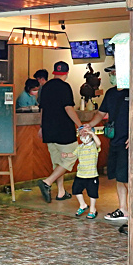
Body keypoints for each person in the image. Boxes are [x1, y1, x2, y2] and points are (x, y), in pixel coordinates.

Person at [38, 61, 83, 202]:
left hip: (49, 130)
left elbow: (42, 109)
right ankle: (47, 182)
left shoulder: (45, 87)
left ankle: (61, 192)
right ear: (67, 73)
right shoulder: (65, 87)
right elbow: (68, 108)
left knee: (58, 162)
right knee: (71, 156)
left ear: (54, 72)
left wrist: (41, 127)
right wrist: (80, 125)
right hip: (64, 131)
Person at [94, 67, 131, 222]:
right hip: (114, 140)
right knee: (119, 177)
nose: (112, 76)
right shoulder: (110, 93)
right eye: (111, 73)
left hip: (128, 142)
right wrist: (89, 125)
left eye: (115, 73)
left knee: (129, 179)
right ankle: (123, 209)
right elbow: (101, 113)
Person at [71, 127, 101, 219]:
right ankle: (83, 205)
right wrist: (66, 155)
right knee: (76, 189)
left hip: (92, 175)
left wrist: (92, 134)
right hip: (80, 174)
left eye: (85, 133)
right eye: (81, 134)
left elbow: (99, 143)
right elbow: (73, 154)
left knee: (92, 193)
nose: (83, 136)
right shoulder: (79, 147)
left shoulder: (93, 146)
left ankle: (92, 210)